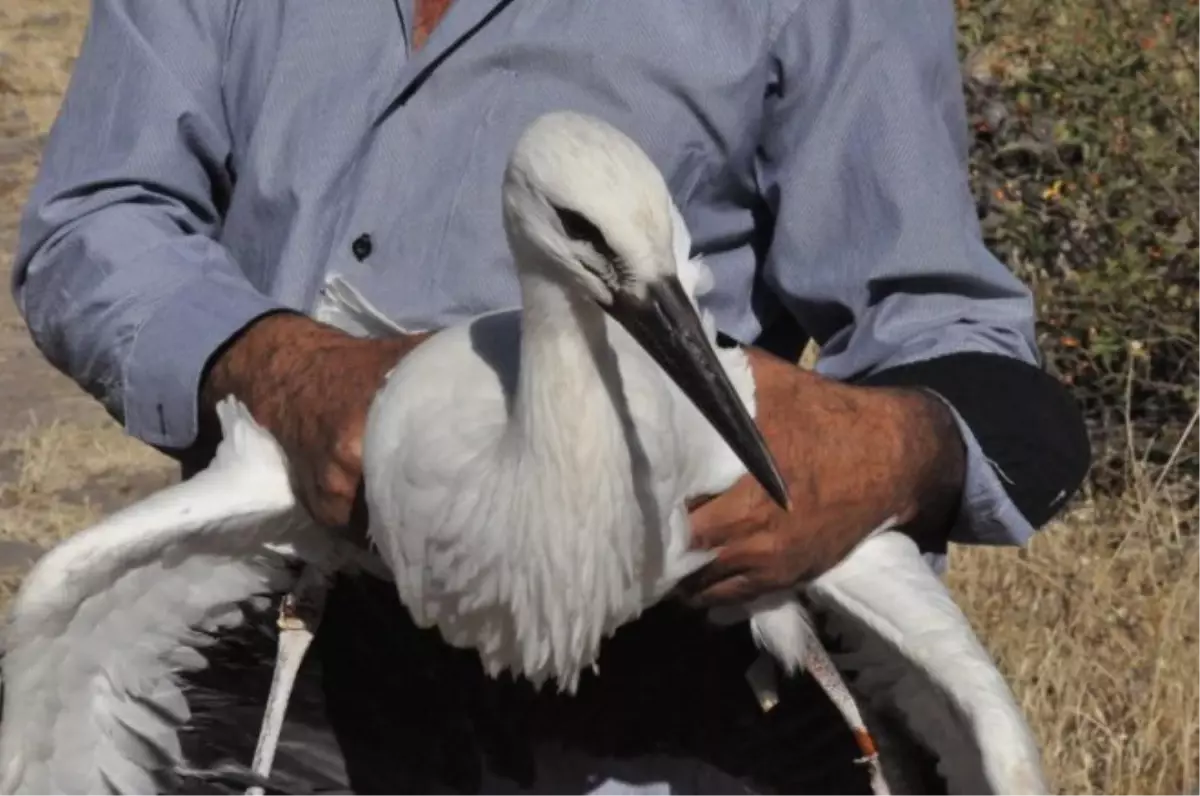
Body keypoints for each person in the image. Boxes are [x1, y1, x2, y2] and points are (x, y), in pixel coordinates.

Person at [12, 0, 1089, 793]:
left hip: (669, 691)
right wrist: (276, 366)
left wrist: (885, 450)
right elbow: (94, 218)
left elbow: (947, 332)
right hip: (294, 669)